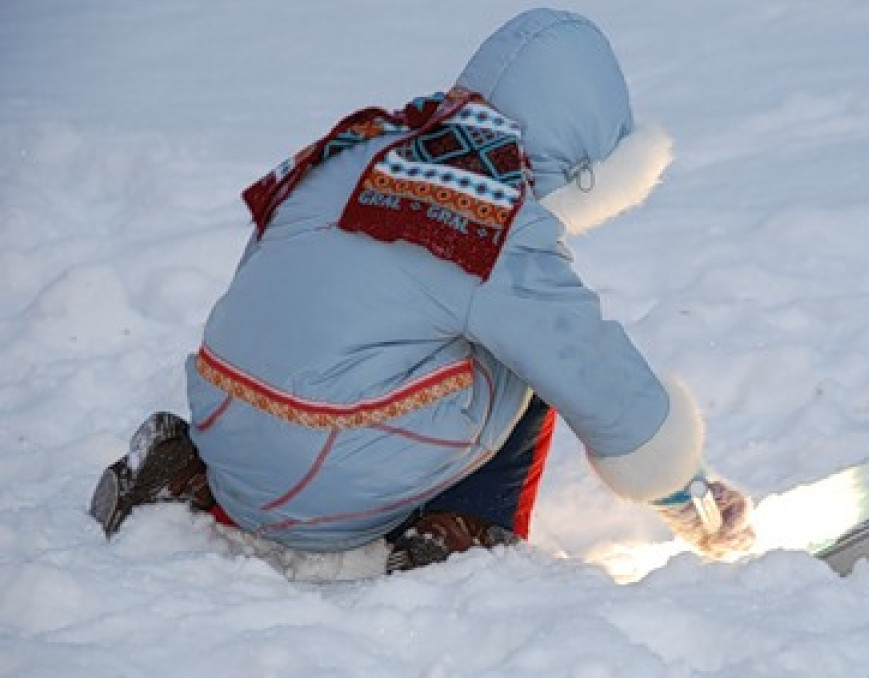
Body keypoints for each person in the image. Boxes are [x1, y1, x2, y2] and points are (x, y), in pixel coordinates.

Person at [89, 8, 755, 576]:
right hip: (325, 478)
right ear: (580, 164)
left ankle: (191, 479)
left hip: (227, 426)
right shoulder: (488, 220)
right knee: (527, 352)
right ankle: (466, 532)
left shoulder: (366, 148)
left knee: (412, 330)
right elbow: (591, 370)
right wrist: (684, 492)